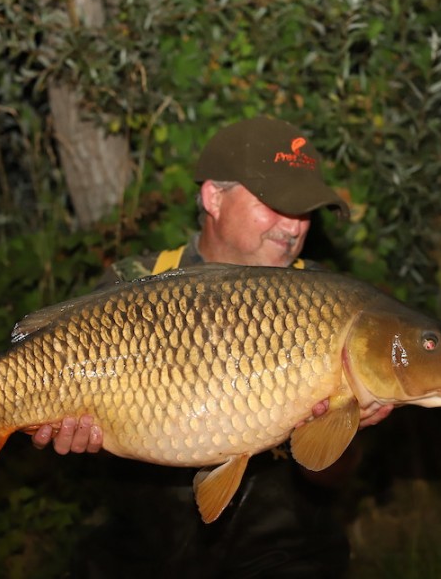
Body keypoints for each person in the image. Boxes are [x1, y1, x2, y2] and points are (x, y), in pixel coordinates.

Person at [32, 117, 393, 577]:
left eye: (305, 210)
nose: (293, 227)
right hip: (147, 550)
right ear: (213, 198)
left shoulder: (332, 308)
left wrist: (344, 434)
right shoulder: (132, 285)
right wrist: (75, 431)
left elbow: (331, 481)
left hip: (283, 553)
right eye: (276, 203)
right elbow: (85, 439)